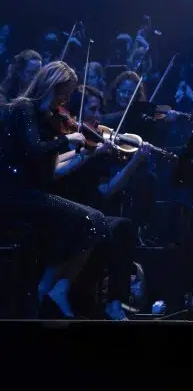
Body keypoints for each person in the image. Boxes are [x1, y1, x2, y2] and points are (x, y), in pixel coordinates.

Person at [0, 61, 119, 318]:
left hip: (33, 193)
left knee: (98, 222)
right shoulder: (23, 109)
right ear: (50, 86)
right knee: (90, 219)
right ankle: (49, 287)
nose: (65, 100)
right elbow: (33, 150)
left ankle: (56, 287)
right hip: (15, 194)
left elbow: (53, 167)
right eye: (63, 92)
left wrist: (89, 153)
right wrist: (66, 139)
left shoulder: (47, 119)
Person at [54, 84, 148, 318]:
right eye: (93, 109)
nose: (98, 116)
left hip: (90, 209)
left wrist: (133, 163)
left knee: (121, 226)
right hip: (67, 210)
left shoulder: (96, 145)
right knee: (118, 227)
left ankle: (115, 302)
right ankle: (109, 302)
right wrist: (88, 153)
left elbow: (104, 191)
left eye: (99, 110)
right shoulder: (71, 142)